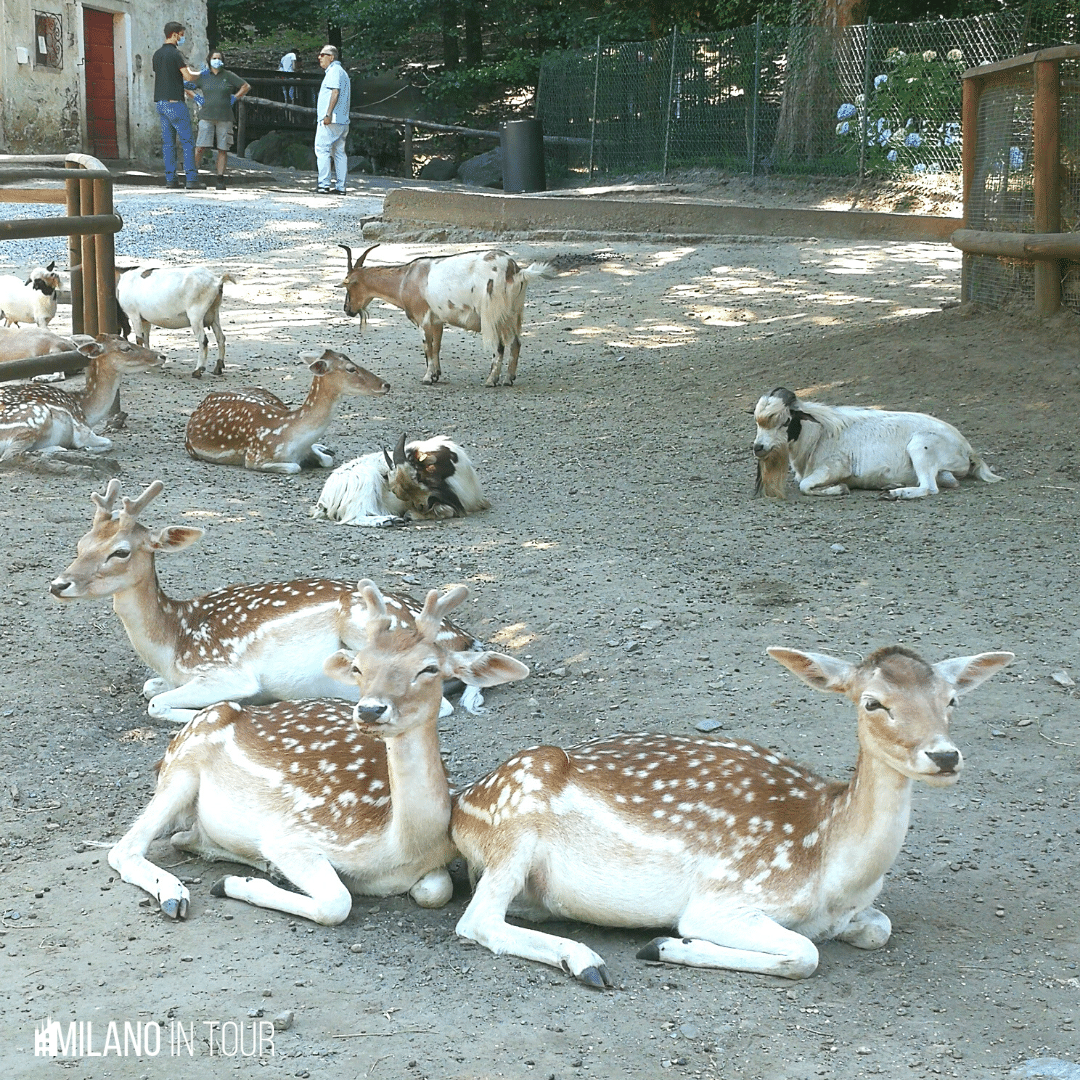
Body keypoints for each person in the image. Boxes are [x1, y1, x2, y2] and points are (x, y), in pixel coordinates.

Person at [153, 22, 204, 189]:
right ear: (174, 34)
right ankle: (191, 179)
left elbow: (167, 76)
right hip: (175, 102)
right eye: (181, 34)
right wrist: (202, 74)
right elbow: (187, 77)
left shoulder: (157, 54)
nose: (183, 37)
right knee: (187, 142)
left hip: (160, 102)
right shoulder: (176, 54)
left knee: (168, 144)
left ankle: (171, 179)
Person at [192, 51, 249, 191]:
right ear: (209, 60)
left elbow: (245, 86)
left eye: (219, 58)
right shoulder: (203, 76)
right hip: (206, 115)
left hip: (225, 117)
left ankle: (220, 178)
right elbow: (187, 86)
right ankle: (192, 175)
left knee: (223, 148)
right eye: (214, 58)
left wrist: (235, 97)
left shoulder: (228, 75)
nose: (216, 61)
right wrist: (196, 98)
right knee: (200, 147)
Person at [315, 45, 350, 195]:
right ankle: (341, 187)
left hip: (332, 119)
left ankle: (323, 184)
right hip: (342, 120)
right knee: (339, 152)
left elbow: (334, 92)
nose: (319, 57)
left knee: (322, 149)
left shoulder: (334, 71)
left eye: (323, 54)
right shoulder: (342, 72)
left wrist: (327, 114)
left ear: (331, 57)